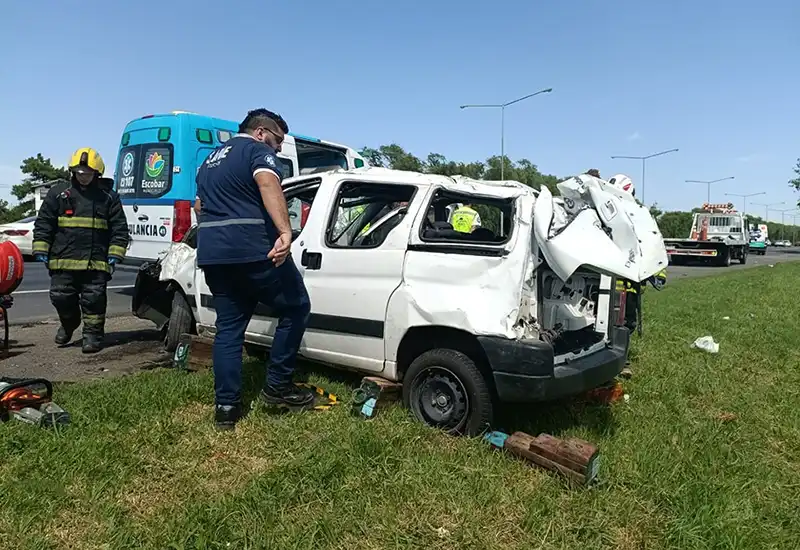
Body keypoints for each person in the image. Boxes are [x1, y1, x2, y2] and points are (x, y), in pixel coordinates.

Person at [195, 108, 314, 430]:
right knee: (296, 307)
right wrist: (285, 232)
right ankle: (278, 386)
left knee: (229, 328)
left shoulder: (209, 160)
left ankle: (226, 409)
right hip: (253, 249)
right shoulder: (255, 151)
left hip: (214, 254)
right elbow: (267, 184)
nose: (277, 148)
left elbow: (199, 206)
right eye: (277, 141)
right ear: (261, 132)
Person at [32, 147, 129, 353]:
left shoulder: (108, 197)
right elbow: (44, 223)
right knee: (60, 297)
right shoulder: (58, 194)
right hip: (62, 260)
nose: (83, 177)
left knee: (93, 300)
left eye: (88, 173)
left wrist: (114, 254)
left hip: (96, 261)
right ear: (72, 172)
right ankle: (69, 323)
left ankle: (92, 336)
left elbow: (119, 229)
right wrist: (41, 247)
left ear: (97, 173)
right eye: (80, 173)